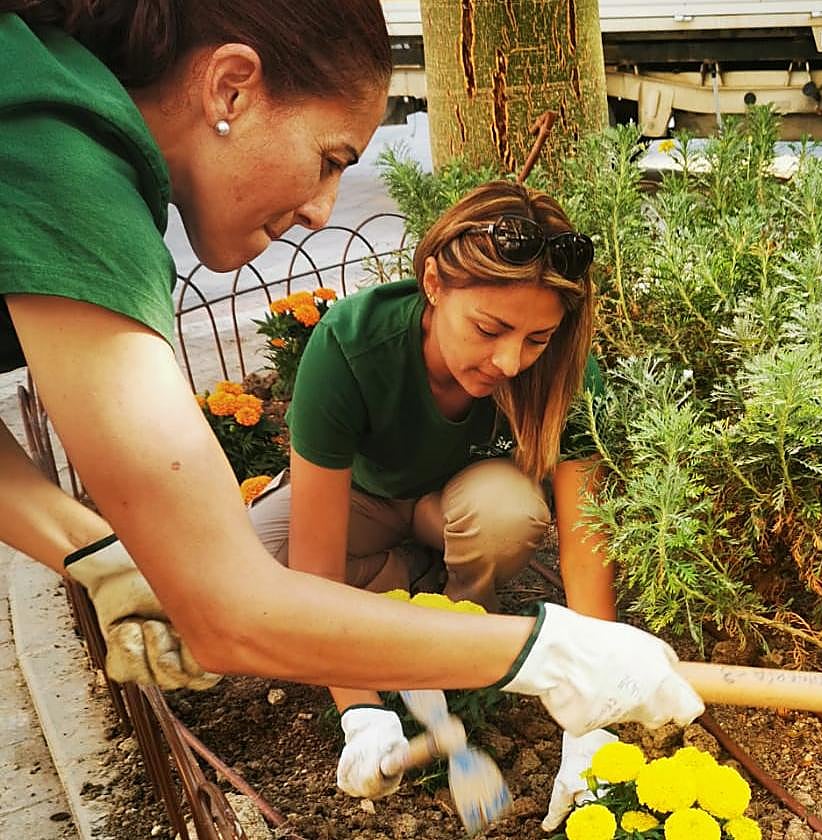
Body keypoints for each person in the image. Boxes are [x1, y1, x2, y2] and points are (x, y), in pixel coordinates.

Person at [0, 0, 702, 798]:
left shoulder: (33, 107)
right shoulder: (58, 153)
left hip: (445, 513)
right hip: (372, 509)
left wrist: (94, 551)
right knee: (253, 559)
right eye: (331, 158)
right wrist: (550, 656)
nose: (322, 210)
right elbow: (232, 612)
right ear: (229, 88)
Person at [248, 179, 628, 825]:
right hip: (366, 497)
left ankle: (458, 617)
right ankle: (415, 589)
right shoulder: (350, 344)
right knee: (259, 561)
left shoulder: (561, 367)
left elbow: (584, 538)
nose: (510, 361)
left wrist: (590, 719)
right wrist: (360, 711)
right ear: (432, 283)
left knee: (508, 514)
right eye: (489, 328)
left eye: (535, 339)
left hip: (466, 503)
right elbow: (313, 566)